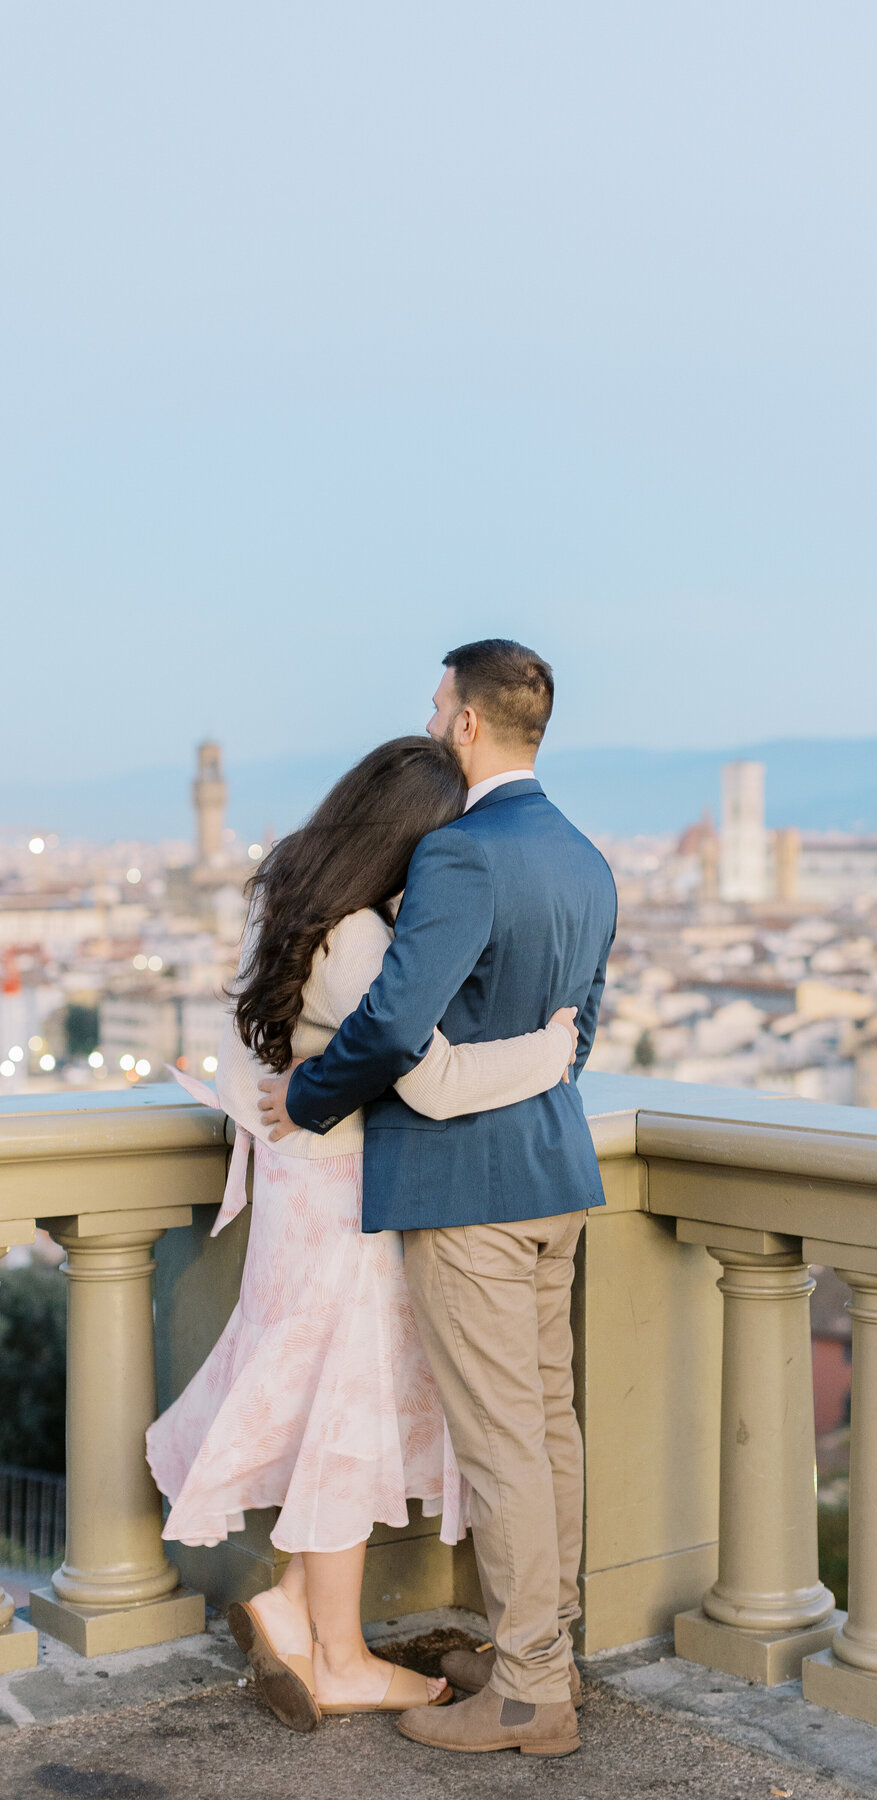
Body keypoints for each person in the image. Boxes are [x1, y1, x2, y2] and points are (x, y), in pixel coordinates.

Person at [147, 734, 579, 1734]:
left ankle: (295, 1608)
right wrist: (550, 1052)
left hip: (300, 1192)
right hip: (350, 1199)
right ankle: (339, 1659)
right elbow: (430, 1079)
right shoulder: (367, 943)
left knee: (317, 1400)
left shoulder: (296, 905)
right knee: (350, 1415)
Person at [258, 639, 617, 1759]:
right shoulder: (586, 857)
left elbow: (391, 1025)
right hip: (554, 1173)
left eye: (436, 701)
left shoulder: (461, 855)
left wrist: (308, 1097)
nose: (431, 712)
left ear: (466, 722)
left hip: (468, 1190)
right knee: (549, 1430)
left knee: (505, 1443)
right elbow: (578, 1033)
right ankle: (539, 1649)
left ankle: (527, 1695)